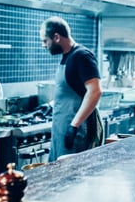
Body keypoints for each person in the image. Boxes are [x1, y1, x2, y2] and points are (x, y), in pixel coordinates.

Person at [40, 16, 102, 161]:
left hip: (75, 132)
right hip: (61, 129)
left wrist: (74, 126)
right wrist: (50, 105)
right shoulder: (67, 57)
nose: (44, 45)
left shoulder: (82, 56)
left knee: (72, 178)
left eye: (45, 41)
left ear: (56, 37)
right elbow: (70, 92)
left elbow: (95, 91)